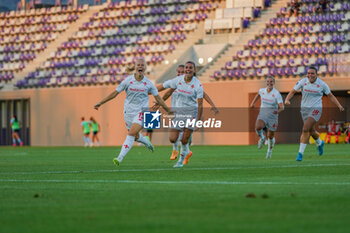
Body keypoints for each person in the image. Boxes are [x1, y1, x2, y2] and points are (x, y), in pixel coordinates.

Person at [94, 58, 172, 166]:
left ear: (145, 68)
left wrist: (168, 110)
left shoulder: (149, 83)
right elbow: (114, 93)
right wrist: (100, 103)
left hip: (142, 112)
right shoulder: (128, 81)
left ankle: (119, 158)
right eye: (138, 65)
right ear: (135, 67)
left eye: (142, 65)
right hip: (128, 113)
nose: (140, 66)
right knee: (135, 137)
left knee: (130, 134)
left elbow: (158, 98)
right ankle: (146, 141)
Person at [155, 64, 219, 162]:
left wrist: (213, 105)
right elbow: (166, 92)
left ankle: (182, 153)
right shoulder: (176, 83)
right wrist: (158, 101)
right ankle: (178, 150)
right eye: (178, 71)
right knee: (174, 137)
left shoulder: (194, 84)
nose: (179, 73)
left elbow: (204, 95)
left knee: (184, 137)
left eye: (181, 71)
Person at [285, 66, 344, 161]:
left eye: (312, 73)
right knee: (311, 131)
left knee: (305, 129)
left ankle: (300, 154)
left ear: (316, 74)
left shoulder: (322, 84)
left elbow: (331, 96)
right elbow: (293, 91)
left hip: (316, 109)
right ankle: (320, 143)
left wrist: (339, 105)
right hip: (304, 110)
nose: (310, 75)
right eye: (308, 73)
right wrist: (287, 99)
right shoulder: (303, 81)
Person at [250, 76, 284, 159]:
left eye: (271, 82)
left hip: (273, 116)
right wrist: (252, 103)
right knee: (258, 127)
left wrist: (278, 111)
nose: (269, 83)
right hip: (263, 113)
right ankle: (262, 138)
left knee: (271, 136)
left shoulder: (276, 94)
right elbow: (258, 94)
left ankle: (269, 151)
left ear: (274, 83)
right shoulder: (262, 91)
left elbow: (282, 107)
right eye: (268, 81)